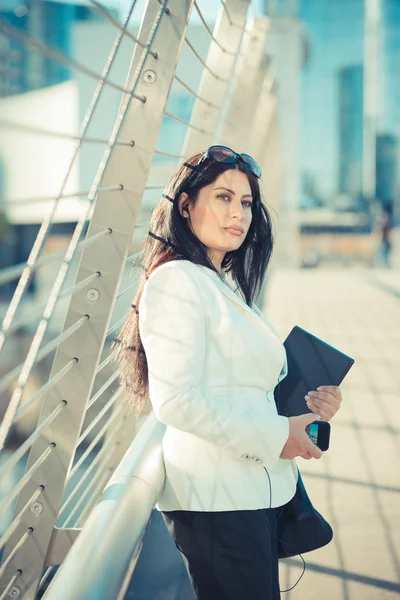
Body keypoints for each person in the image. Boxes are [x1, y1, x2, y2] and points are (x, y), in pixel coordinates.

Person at [112, 145, 343, 599]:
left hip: (249, 492)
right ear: (185, 204)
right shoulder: (176, 281)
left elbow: (243, 386)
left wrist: (309, 405)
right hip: (217, 502)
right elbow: (176, 400)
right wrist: (279, 434)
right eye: (222, 197)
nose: (238, 212)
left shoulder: (225, 284)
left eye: (246, 202)